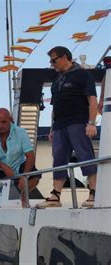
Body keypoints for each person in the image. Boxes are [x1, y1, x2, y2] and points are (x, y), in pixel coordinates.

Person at [37, 46, 98, 208]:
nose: (52, 64)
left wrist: (91, 123)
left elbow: (92, 99)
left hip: (78, 121)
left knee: (85, 154)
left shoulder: (83, 75)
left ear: (64, 57)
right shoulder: (56, 81)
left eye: (53, 60)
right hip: (59, 125)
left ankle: (94, 192)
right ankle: (55, 196)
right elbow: (55, 106)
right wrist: (51, 128)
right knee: (59, 159)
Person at [0, 108, 41, 208]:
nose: (0, 125)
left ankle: (23, 195)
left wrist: (24, 176)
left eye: (3, 122)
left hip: (18, 165)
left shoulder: (20, 132)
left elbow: (30, 155)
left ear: (10, 119)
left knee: (35, 176)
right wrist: (3, 166)